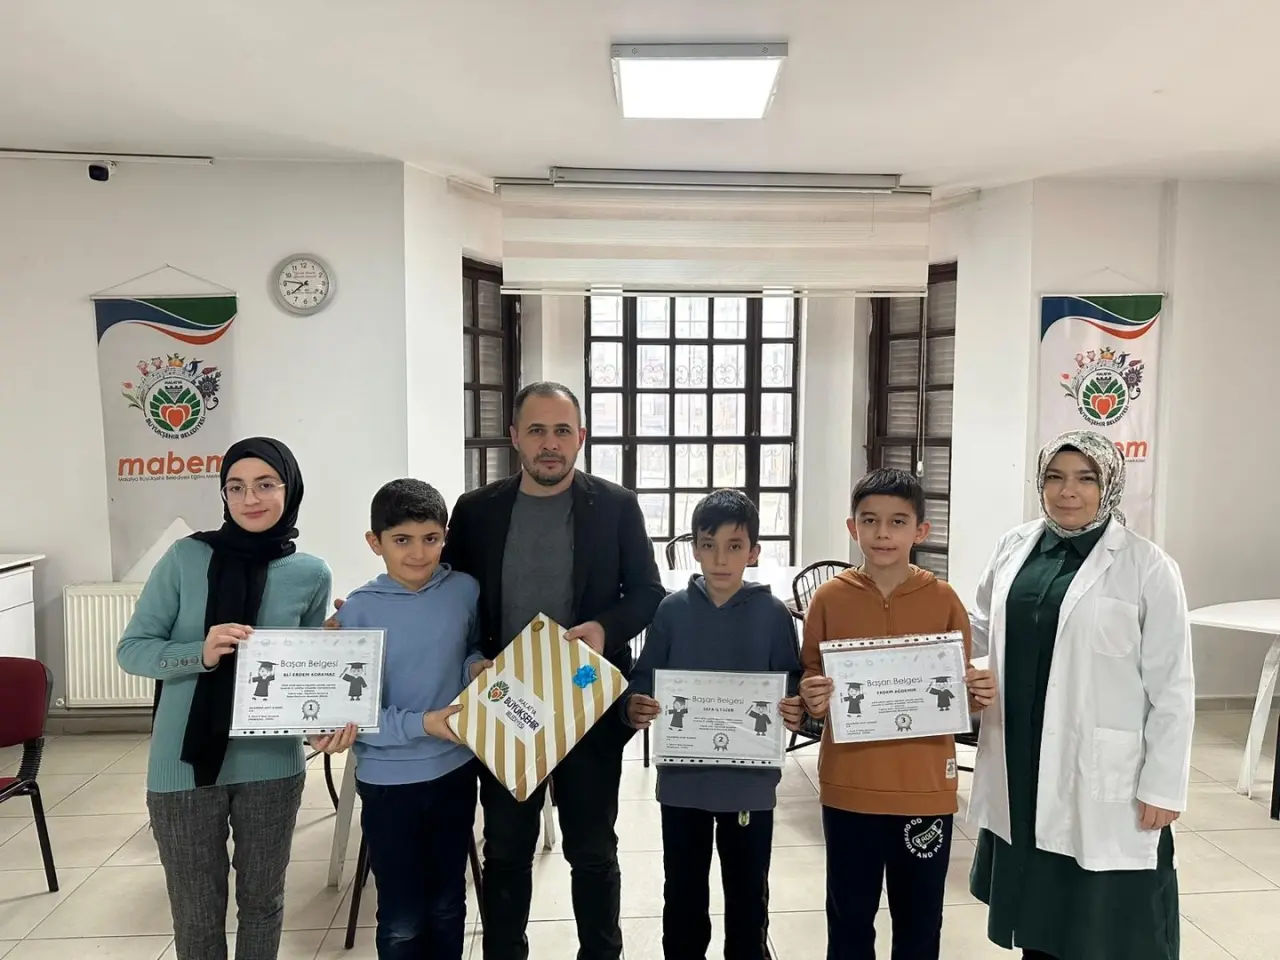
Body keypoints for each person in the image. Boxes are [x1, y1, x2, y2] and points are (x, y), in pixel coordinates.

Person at [441, 381, 666, 960]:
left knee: (592, 851)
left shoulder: (616, 506)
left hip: (587, 706)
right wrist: (381, 609)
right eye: (537, 430)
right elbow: (451, 596)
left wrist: (605, 630)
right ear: (514, 436)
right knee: (506, 851)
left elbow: (647, 592)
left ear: (580, 438)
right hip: (504, 705)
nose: (550, 443)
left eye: (562, 431)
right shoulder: (476, 510)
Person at [117, 437, 354, 960]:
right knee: (196, 914)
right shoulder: (186, 557)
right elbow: (132, 650)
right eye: (236, 487)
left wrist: (327, 699)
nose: (250, 499)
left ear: (290, 490)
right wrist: (198, 653)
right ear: (223, 494)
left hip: (272, 764)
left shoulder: (311, 573)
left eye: (265, 484)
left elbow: (301, 678)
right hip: (183, 766)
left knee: (263, 905)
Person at [966, 430, 1194, 960]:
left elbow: (1173, 686)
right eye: (1054, 477)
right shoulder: (1014, 546)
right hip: (1020, 758)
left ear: (1108, 484)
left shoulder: (1147, 566)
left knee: (1107, 921)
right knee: (1037, 912)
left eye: (1085, 479)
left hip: (1101, 766)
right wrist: (958, 672)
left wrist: (1163, 785)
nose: (1067, 491)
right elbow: (979, 628)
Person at [785, 468, 995, 960]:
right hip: (849, 786)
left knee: (919, 924)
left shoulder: (943, 600)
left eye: (898, 521)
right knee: (849, 921)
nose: (883, 533)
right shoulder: (829, 598)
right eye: (870, 520)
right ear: (852, 527)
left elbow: (957, 685)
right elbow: (811, 673)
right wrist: (811, 695)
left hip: (924, 787)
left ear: (920, 531)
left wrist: (976, 693)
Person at [623, 489, 804, 960]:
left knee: (747, 898)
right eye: (709, 545)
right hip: (683, 784)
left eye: (734, 546)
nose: (721, 559)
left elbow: (793, 681)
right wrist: (634, 705)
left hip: (749, 786)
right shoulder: (671, 611)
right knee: (683, 896)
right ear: (695, 549)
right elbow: (645, 677)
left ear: (754, 552)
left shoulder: (773, 614)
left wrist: (796, 707)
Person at [329, 478, 492, 959]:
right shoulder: (357, 612)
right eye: (402, 540)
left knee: (448, 904)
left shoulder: (464, 590)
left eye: (430, 538)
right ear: (374, 542)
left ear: (445, 537)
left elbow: (465, 650)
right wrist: (424, 724)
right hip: (388, 782)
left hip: (454, 771)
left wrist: (475, 668)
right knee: (401, 918)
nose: (419, 553)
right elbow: (355, 711)